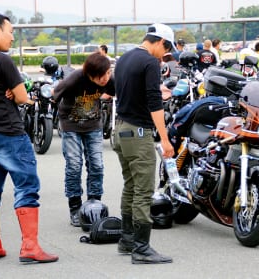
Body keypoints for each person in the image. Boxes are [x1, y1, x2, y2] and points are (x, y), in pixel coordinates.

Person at [0, 13, 58, 264]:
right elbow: (21, 97)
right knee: (27, 188)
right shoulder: (1, 60)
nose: (12, 37)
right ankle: (30, 247)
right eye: (10, 32)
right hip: (10, 133)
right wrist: (19, 93)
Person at [113, 23, 174, 265]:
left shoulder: (125, 58)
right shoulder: (150, 62)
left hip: (120, 129)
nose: (165, 56)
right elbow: (154, 102)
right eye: (166, 51)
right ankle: (141, 248)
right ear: (160, 42)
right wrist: (165, 139)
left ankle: (127, 240)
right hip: (138, 132)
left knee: (130, 185)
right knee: (143, 190)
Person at [53, 52, 115, 227]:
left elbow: (122, 91)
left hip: (93, 125)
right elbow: (55, 93)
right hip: (71, 125)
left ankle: (94, 206)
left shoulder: (108, 79)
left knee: (96, 165)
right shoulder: (75, 79)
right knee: (74, 165)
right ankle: (75, 208)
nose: (105, 78)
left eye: (108, 73)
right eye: (101, 76)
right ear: (90, 74)